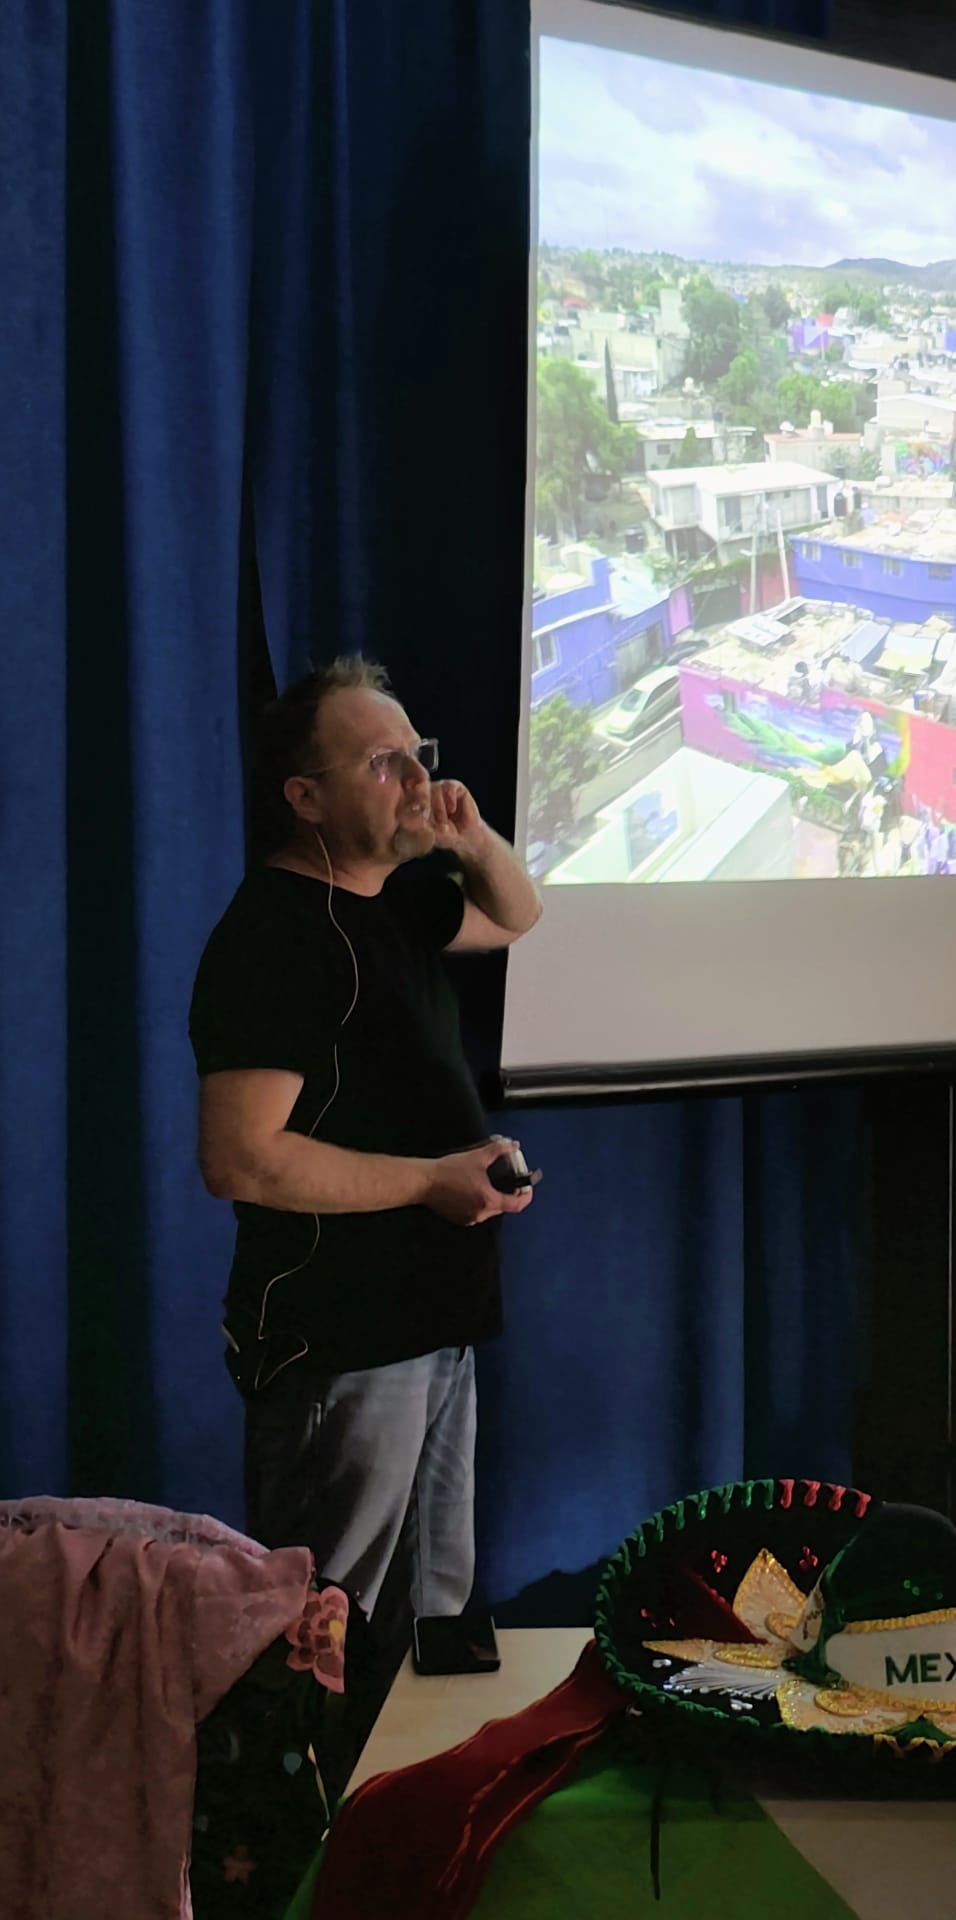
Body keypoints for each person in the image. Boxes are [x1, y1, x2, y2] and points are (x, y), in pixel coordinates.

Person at [188, 656, 542, 1710]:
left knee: (432, 1631)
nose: (418, 778)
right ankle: (316, 1813)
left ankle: (408, 1806)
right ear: (306, 798)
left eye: (417, 753)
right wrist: (431, 1180)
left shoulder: (398, 903)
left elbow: (517, 911)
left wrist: (470, 838)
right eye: (384, 762)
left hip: (433, 1325)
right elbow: (242, 1158)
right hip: (340, 1349)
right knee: (329, 1644)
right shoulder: (274, 936)